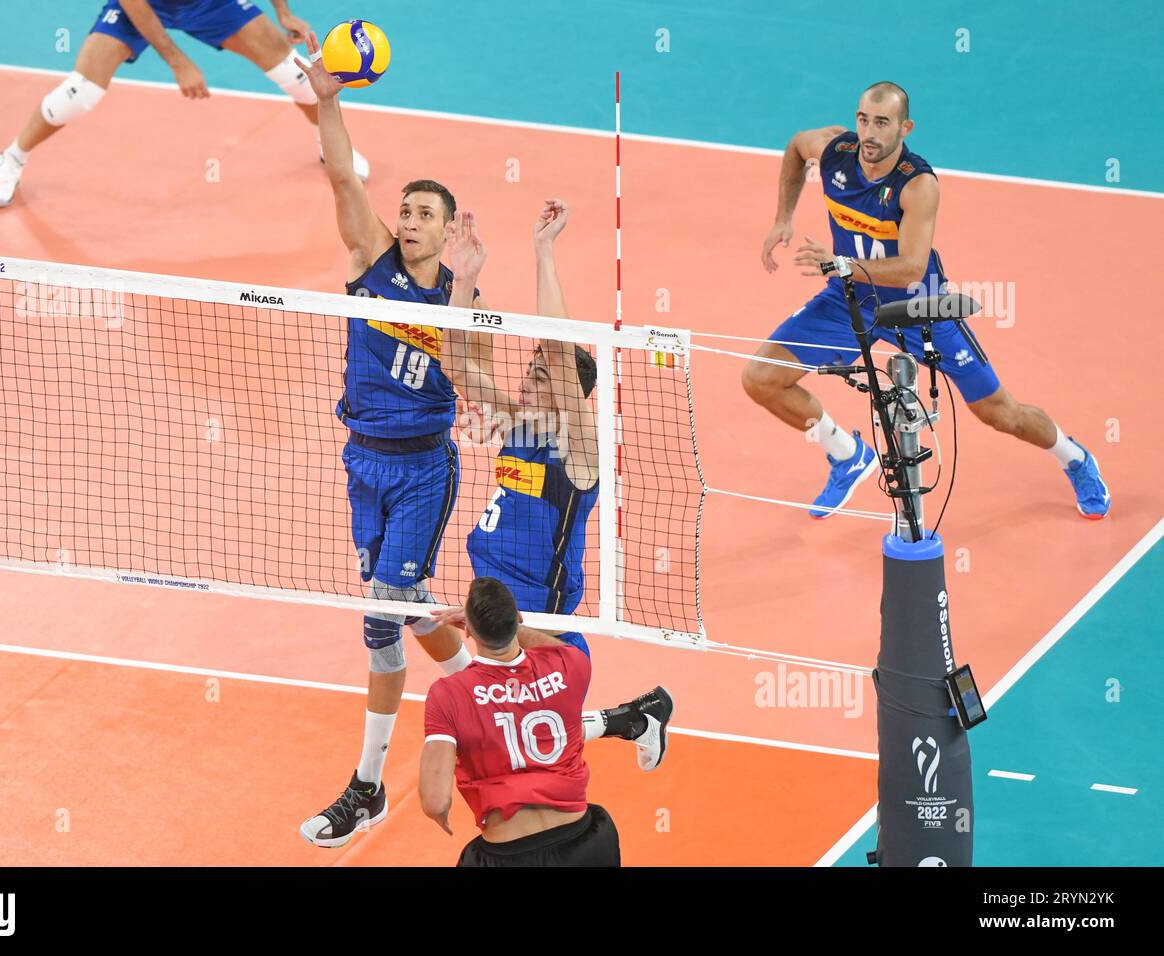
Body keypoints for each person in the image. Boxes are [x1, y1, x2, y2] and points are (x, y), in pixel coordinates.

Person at [743, 81, 1111, 519]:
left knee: (1000, 413)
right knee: (761, 377)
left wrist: (839, 263)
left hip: (919, 308)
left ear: (905, 127)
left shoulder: (918, 184)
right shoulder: (834, 151)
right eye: (864, 120)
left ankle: (1074, 459)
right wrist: (783, 218)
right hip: (850, 301)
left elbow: (911, 267)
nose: (869, 133)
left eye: (882, 123)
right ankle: (847, 454)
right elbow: (795, 149)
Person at [293, 31, 486, 849]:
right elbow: (342, 173)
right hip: (361, 461)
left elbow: (473, 377)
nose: (408, 220)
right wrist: (328, 103)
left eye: (424, 214)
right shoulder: (370, 262)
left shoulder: (459, 291)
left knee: (379, 616)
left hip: (421, 471)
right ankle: (486, 686)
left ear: (447, 234)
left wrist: (471, 287)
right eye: (404, 209)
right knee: (404, 607)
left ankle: (366, 786)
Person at [439, 200, 673, 770]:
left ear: (570, 391)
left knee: (520, 747)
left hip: (543, 625)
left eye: (542, 372)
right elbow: (453, 361)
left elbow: (561, 350)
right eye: (531, 366)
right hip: (496, 604)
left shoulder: (579, 450)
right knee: (511, 742)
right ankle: (637, 717)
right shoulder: (518, 423)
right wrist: (464, 281)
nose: (529, 373)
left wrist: (544, 252)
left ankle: (636, 718)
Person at [0, 0, 369, 207]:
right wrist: (178, 61)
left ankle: (328, 143)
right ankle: (11, 158)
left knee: (297, 75)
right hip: (145, 4)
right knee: (79, 93)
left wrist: (282, 11)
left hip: (210, 3)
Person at [420, 577, 622, 866]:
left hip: (509, 854)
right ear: (517, 618)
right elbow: (554, 645)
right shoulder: (572, 664)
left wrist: (439, 817)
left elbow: (435, 801)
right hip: (586, 841)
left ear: (470, 632)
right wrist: (509, 625)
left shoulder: (448, 694)